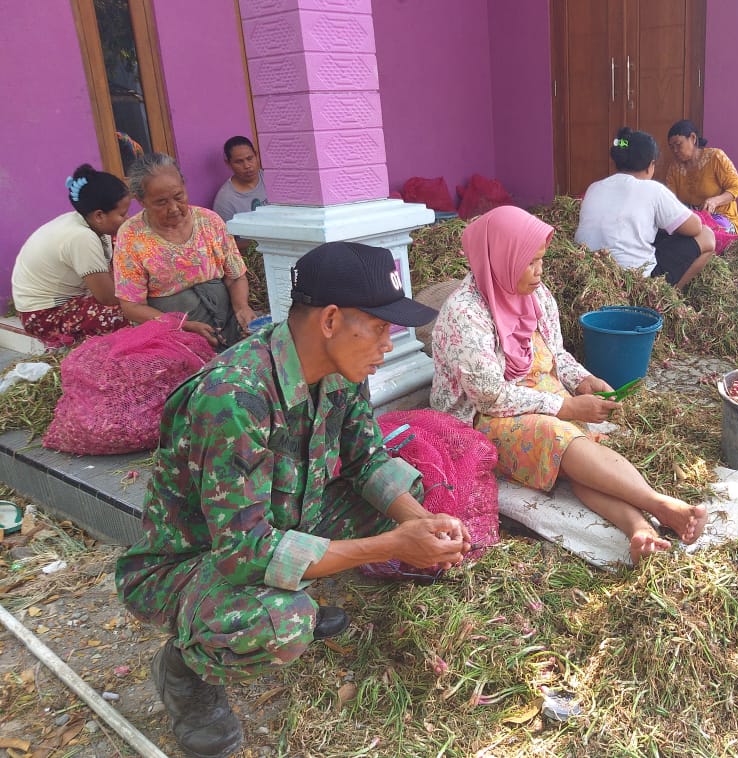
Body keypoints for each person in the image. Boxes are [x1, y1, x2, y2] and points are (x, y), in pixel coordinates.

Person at [116, 241, 469, 758]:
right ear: (330, 320)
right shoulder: (233, 397)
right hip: (191, 562)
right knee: (282, 624)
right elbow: (244, 552)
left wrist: (422, 522)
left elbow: (367, 462)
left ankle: (293, 583)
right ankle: (184, 672)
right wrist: (393, 545)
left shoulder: (339, 371)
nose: (387, 345)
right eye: (378, 327)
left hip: (277, 524)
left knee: (400, 492)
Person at [432, 205, 707, 565]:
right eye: (530, 262)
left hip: (540, 394)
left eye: (541, 260)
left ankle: (639, 527)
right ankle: (661, 505)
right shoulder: (465, 314)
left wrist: (584, 381)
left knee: (580, 454)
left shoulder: (536, 295)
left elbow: (557, 354)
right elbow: (489, 396)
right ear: (501, 259)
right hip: (483, 418)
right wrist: (565, 406)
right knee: (558, 436)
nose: (539, 271)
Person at [114, 153, 258, 349]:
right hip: (170, 333)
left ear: (183, 185)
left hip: (227, 320)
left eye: (179, 196)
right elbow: (132, 306)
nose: (174, 208)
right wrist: (182, 325)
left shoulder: (209, 220)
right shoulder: (131, 235)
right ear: (141, 200)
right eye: (161, 202)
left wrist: (242, 307)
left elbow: (235, 276)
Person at [575, 128, 715, 289]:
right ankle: (668, 296)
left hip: (587, 274)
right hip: (633, 282)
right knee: (707, 236)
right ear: (650, 165)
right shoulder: (653, 189)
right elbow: (695, 227)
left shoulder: (594, 187)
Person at [12, 165, 131, 347]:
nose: (127, 218)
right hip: (43, 315)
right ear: (99, 215)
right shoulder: (82, 237)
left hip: (69, 300)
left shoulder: (90, 223)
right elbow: (108, 298)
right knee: (131, 313)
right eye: (122, 214)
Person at [665, 119, 738, 243]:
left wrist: (714, 201)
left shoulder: (716, 157)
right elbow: (670, 199)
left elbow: (735, 188)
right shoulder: (674, 168)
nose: (675, 150)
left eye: (678, 144)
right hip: (693, 219)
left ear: (693, 138)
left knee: (706, 234)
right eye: (671, 147)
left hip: (721, 219)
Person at [212, 135, 268, 253]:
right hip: (253, 255)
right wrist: (261, 241)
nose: (247, 166)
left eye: (250, 158)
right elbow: (224, 244)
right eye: (239, 162)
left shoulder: (270, 178)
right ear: (228, 164)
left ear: (256, 156)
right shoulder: (225, 200)